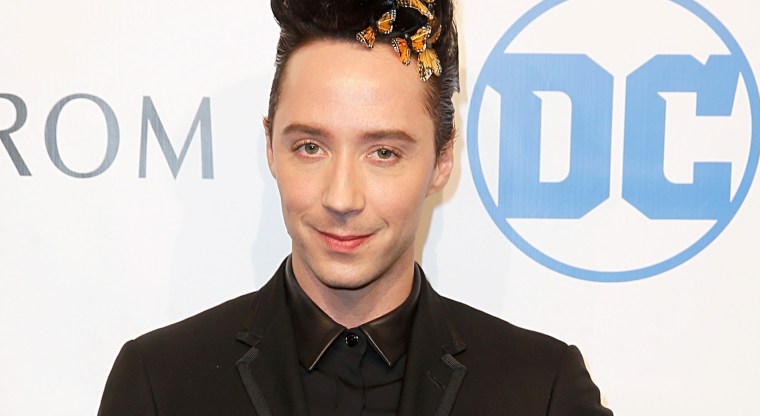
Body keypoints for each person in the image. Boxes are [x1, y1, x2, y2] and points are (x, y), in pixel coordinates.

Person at [98, 0, 613, 415]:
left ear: (442, 161)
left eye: (383, 152)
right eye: (310, 147)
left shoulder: (541, 389)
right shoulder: (159, 385)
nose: (341, 198)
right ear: (269, 148)